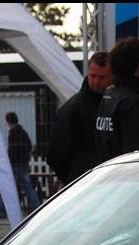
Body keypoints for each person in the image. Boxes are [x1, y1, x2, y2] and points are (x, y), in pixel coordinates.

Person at [47, 51, 112, 186]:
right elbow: (56, 153)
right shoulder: (73, 108)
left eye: (102, 77)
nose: (96, 81)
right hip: (85, 181)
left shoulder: (113, 104)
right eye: (93, 76)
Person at [95, 37, 139, 164]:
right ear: (138, 68)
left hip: (109, 176)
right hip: (128, 179)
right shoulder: (131, 104)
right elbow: (137, 155)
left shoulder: (109, 96)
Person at [0, 112, 41, 219]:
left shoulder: (12, 134)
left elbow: (11, 151)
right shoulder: (24, 132)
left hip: (14, 164)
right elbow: (29, 146)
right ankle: (38, 207)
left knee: (9, 189)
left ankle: (2, 211)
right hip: (23, 164)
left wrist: (9, 161)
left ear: (8, 122)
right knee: (29, 188)